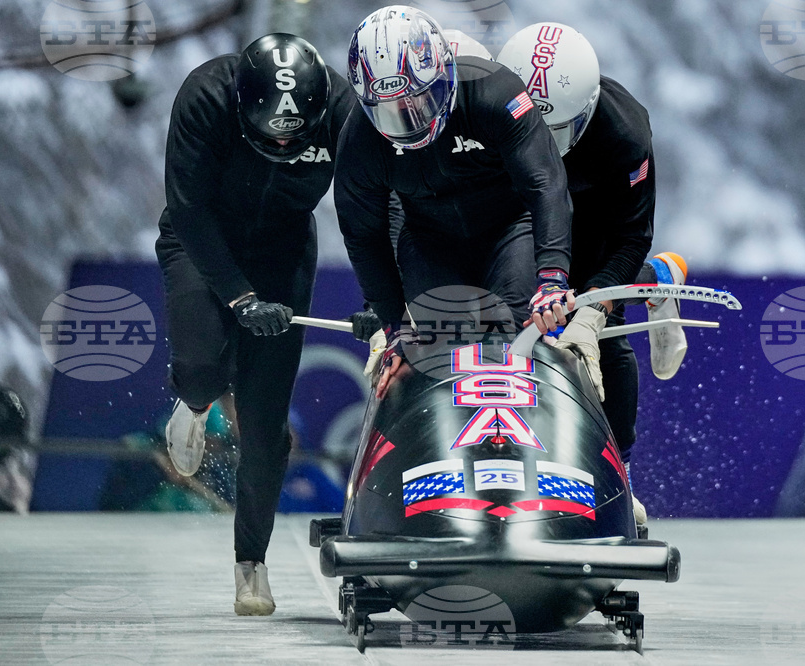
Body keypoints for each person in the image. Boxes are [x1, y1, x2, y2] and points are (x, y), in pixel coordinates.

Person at [154, 33, 354, 615]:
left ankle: (251, 564)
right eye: (273, 136)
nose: (286, 144)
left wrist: (384, 300)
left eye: (297, 138)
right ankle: (191, 405)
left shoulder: (342, 112)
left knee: (265, 426)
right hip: (203, 239)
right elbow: (187, 208)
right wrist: (240, 299)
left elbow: (375, 203)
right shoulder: (203, 97)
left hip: (283, 249)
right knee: (200, 366)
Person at [499, 23, 690, 524]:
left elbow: (629, 235)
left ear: (584, 113)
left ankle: (620, 474)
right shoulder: (483, 111)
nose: (545, 145)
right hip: (515, 213)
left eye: (556, 132)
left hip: (590, 218)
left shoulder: (624, 136)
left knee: (594, 335)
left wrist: (595, 308)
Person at [334, 5, 574, 397]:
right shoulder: (359, 141)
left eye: (418, 102)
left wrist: (551, 278)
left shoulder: (494, 91)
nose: (408, 121)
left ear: (444, 74)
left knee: (510, 333)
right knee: (433, 350)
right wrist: (394, 327)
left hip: (509, 232)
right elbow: (364, 237)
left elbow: (545, 183)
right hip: (431, 241)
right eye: (390, 112)